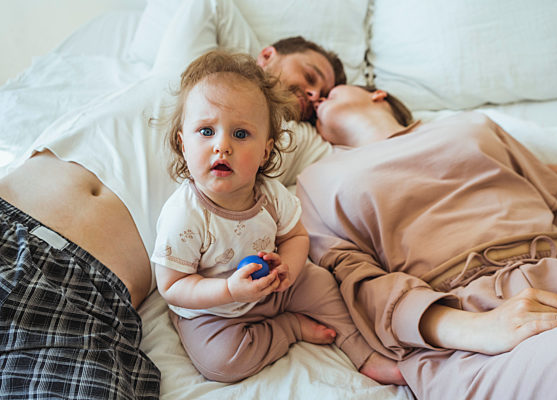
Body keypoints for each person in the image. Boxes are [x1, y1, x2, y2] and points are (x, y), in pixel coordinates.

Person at [0, 35, 345, 398]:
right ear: (267, 53)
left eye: (322, 93)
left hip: (88, 296)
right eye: (310, 74)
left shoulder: (289, 141)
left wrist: (337, 107)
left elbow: (359, 148)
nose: (312, 94)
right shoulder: (184, 70)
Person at [296, 84, 557, 399]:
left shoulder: (471, 124)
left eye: (330, 87)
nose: (315, 93)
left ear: (378, 93)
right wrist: (477, 328)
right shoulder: (315, 180)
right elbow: (356, 283)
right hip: (468, 328)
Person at [150, 50, 379, 383]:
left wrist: (289, 268)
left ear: (265, 151)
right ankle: (290, 328)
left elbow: (295, 237)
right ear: (183, 144)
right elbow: (172, 286)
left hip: (274, 286)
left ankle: (364, 353)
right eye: (206, 131)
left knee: (324, 284)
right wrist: (229, 290)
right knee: (222, 363)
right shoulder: (184, 216)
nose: (222, 146)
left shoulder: (271, 194)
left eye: (240, 134)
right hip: (213, 311)